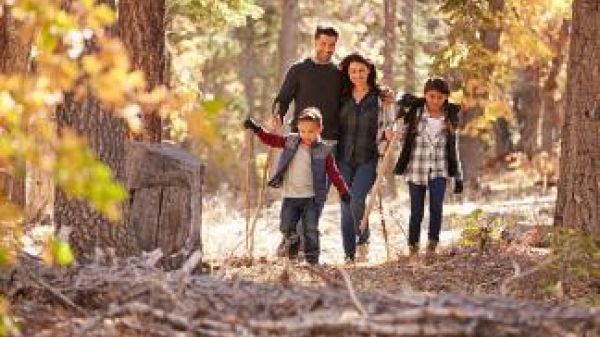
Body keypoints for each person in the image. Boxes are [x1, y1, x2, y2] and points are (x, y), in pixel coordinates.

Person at [243, 108, 351, 265]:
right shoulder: (291, 141)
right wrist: (257, 129)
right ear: (298, 129)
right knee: (286, 225)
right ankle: (292, 241)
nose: (306, 135)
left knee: (310, 229)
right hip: (290, 196)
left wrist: (343, 191)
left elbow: (334, 173)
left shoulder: (324, 150)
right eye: (302, 131)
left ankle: (313, 260)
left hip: (311, 198)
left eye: (311, 131)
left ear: (320, 129)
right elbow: (271, 140)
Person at [393, 78, 464, 264]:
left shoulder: (449, 119)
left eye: (440, 97)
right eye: (431, 96)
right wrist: (395, 134)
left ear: (445, 98)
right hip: (416, 169)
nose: (435, 101)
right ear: (425, 95)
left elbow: (454, 148)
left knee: (436, 208)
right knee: (416, 211)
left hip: (439, 170)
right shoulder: (415, 114)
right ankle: (413, 246)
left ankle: (432, 245)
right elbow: (401, 137)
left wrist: (458, 176)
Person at [336, 53, 395, 263]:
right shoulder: (342, 95)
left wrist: (390, 131)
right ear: (348, 73)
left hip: (369, 158)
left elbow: (390, 123)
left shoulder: (381, 97)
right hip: (342, 157)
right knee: (346, 203)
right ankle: (349, 253)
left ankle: (363, 238)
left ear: (369, 71)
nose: (357, 74)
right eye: (353, 71)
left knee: (357, 198)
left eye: (361, 70)